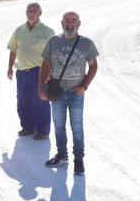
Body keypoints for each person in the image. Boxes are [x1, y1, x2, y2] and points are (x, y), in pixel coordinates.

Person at [38, 11, 99, 176]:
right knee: (58, 126)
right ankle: (62, 155)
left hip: (76, 93)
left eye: (73, 20)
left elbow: (93, 66)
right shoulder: (54, 41)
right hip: (56, 92)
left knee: (77, 127)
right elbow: (45, 64)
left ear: (79, 23)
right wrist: (41, 88)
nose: (70, 23)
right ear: (62, 23)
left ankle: (79, 159)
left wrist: (84, 87)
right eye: (67, 20)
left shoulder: (86, 43)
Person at [6, 2, 55, 140]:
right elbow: (13, 50)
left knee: (40, 100)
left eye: (34, 11)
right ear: (26, 13)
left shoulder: (47, 31)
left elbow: (52, 55)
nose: (31, 13)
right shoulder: (19, 30)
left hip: (40, 71)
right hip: (22, 72)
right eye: (29, 11)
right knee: (23, 101)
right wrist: (9, 68)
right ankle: (27, 127)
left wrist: (50, 73)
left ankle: (42, 131)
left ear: (40, 13)